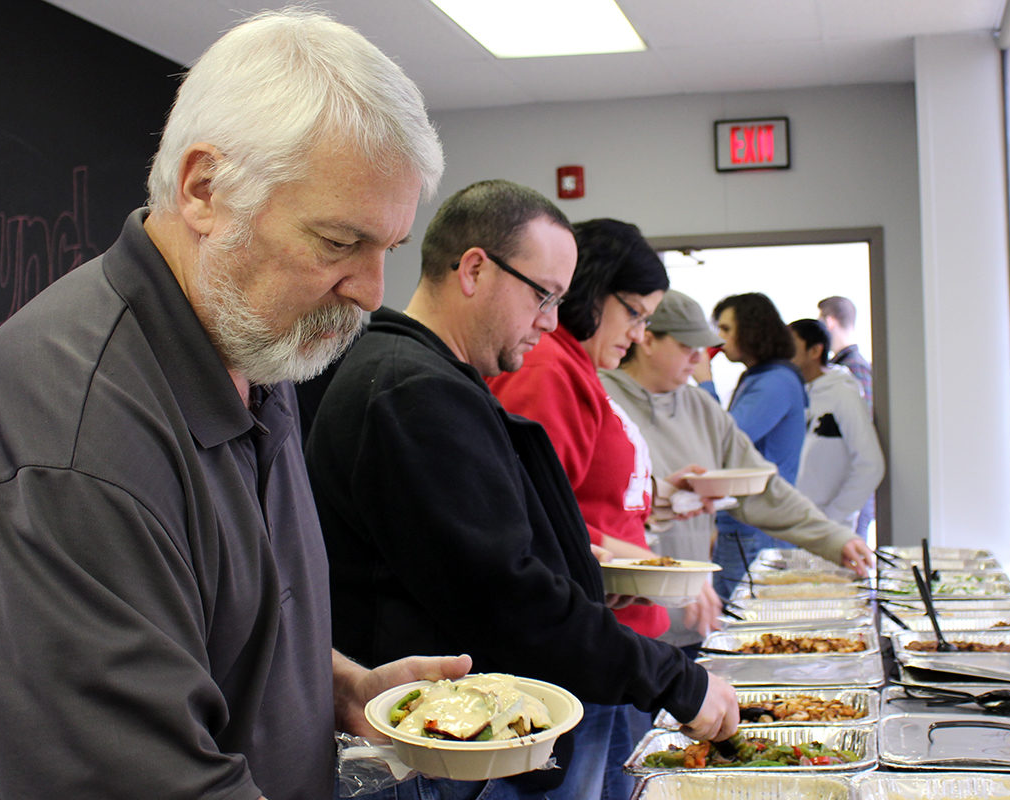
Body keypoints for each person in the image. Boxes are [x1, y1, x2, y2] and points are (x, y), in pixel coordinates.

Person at [0, 11, 472, 800]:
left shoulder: (253, 340)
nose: (372, 292)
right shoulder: (70, 441)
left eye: (386, 248)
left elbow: (204, 617)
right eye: (337, 242)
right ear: (204, 189)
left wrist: (338, 688)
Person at [305, 182, 739, 800]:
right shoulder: (414, 392)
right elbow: (506, 598)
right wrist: (674, 680)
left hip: (451, 741)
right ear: (476, 269)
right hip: (435, 756)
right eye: (544, 295)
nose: (552, 321)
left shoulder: (432, 379)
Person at [485, 218, 723, 786]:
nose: (641, 334)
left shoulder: (577, 369)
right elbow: (539, 525)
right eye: (636, 314)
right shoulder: (548, 370)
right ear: (593, 291)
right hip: (583, 651)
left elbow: (582, 506)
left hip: (615, 642)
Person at [599, 291, 872, 654]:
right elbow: (586, 515)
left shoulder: (699, 405)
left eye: (704, 346)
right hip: (620, 626)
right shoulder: (602, 399)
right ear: (646, 339)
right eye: (686, 346)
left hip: (693, 619)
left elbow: (760, 486)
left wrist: (833, 537)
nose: (699, 359)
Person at [704, 292, 807, 597]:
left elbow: (725, 440)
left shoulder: (774, 381)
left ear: (750, 330)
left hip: (758, 527)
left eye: (725, 329)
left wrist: (705, 383)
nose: (718, 338)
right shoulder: (758, 377)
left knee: (742, 619)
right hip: (743, 525)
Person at [789, 318, 885, 530]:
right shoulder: (792, 392)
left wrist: (834, 516)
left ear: (814, 351)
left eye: (790, 346)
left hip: (828, 527)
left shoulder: (842, 393)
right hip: (792, 521)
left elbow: (871, 465)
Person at [816, 295, 876, 539]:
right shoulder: (847, 367)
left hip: (851, 486)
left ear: (829, 322)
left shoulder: (853, 369)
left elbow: (859, 430)